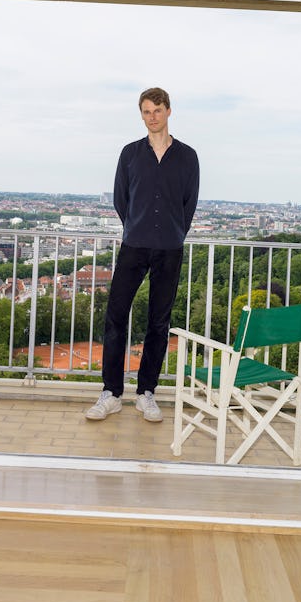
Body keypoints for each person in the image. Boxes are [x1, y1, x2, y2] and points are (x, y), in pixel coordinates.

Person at [86, 87, 200, 423]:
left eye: (157, 110)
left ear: (168, 111)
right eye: (146, 112)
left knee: (158, 323)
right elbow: (121, 200)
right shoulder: (130, 153)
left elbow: (189, 203)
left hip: (169, 248)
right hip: (134, 245)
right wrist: (136, 227)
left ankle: (146, 393)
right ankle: (111, 393)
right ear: (142, 115)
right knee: (115, 317)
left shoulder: (188, 156)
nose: (152, 117)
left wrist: (174, 231)